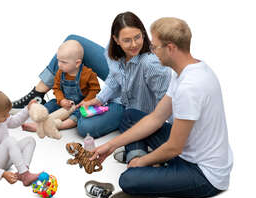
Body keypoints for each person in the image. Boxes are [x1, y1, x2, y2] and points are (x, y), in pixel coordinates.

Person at [89, 17, 233, 198]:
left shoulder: (190, 87)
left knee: (128, 179)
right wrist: (110, 145)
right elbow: (156, 118)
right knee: (130, 115)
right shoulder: (184, 71)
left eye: (155, 47)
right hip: (188, 152)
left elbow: (174, 148)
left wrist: (141, 161)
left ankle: (154, 180)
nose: (152, 51)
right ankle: (158, 176)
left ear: (171, 48)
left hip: (204, 174)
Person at [12, 11, 171, 138]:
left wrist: (175, 132)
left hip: (129, 105)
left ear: (143, 33)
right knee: (73, 42)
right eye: (127, 40)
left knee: (85, 127)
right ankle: (38, 94)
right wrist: (98, 99)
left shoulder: (151, 64)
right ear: (116, 40)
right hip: (120, 83)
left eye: (138, 37)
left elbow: (167, 99)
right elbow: (114, 80)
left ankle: (71, 111)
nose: (134, 44)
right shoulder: (114, 50)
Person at [21, 40, 100, 132]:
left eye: (64, 62)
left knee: (79, 114)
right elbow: (56, 88)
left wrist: (86, 101)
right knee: (50, 105)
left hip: (80, 104)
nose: (59, 65)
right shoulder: (60, 73)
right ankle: (40, 117)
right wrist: (62, 100)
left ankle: (58, 125)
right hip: (64, 101)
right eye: (58, 60)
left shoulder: (88, 74)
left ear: (77, 63)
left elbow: (95, 90)